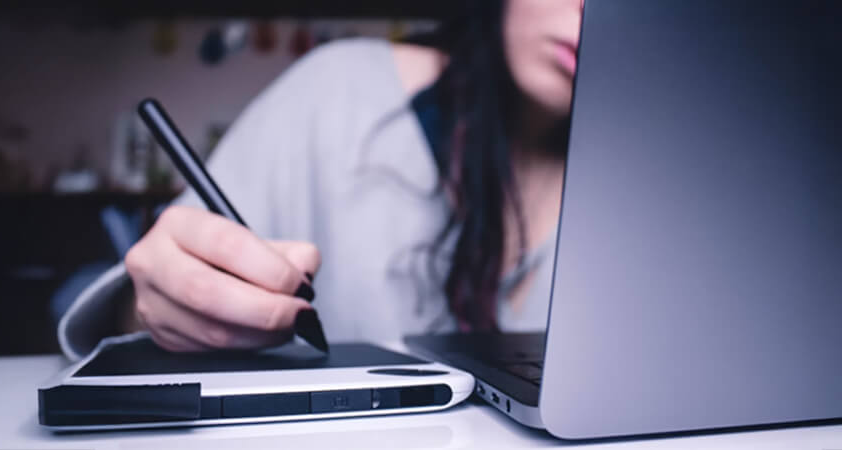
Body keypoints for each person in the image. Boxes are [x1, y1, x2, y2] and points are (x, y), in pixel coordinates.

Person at [58, 0, 583, 360]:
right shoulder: (337, 92)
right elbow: (122, 296)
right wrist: (151, 312)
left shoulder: (653, 192)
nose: (594, 9)